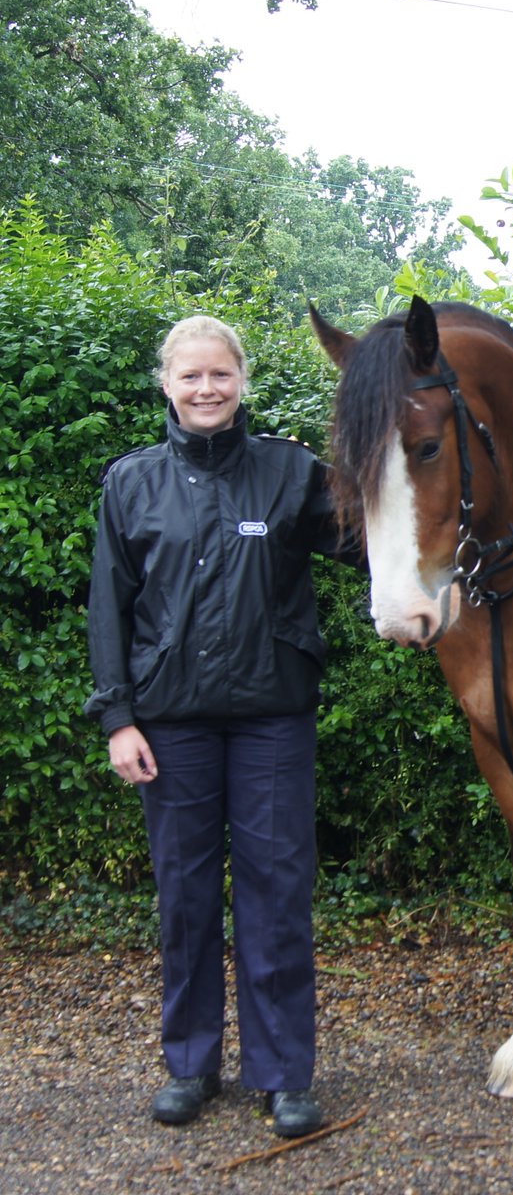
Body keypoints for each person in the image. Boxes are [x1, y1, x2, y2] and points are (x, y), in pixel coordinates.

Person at [84, 315, 361, 1136]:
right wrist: (118, 718)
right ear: (166, 385)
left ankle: (283, 1075)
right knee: (186, 900)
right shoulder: (130, 483)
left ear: (243, 382)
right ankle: (191, 1065)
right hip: (170, 726)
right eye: (191, 376)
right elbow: (110, 609)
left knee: (278, 897)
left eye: (222, 376)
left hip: (273, 719)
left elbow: (370, 543)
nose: (207, 389)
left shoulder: (290, 473)